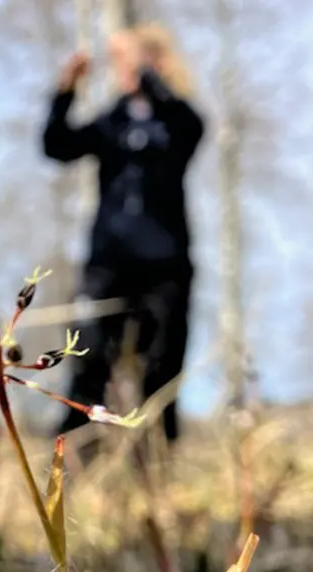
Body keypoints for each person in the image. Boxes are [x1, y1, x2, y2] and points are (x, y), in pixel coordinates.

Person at [42, 24, 204, 448]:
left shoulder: (177, 120)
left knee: (162, 368)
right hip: (108, 263)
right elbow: (57, 146)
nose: (123, 70)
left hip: (166, 266)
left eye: (130, 61)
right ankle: (73, 455)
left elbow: (192, 127)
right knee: (88, 357)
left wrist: (144, 68)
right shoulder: (110, 121)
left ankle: (158, 461)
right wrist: (65, 91)